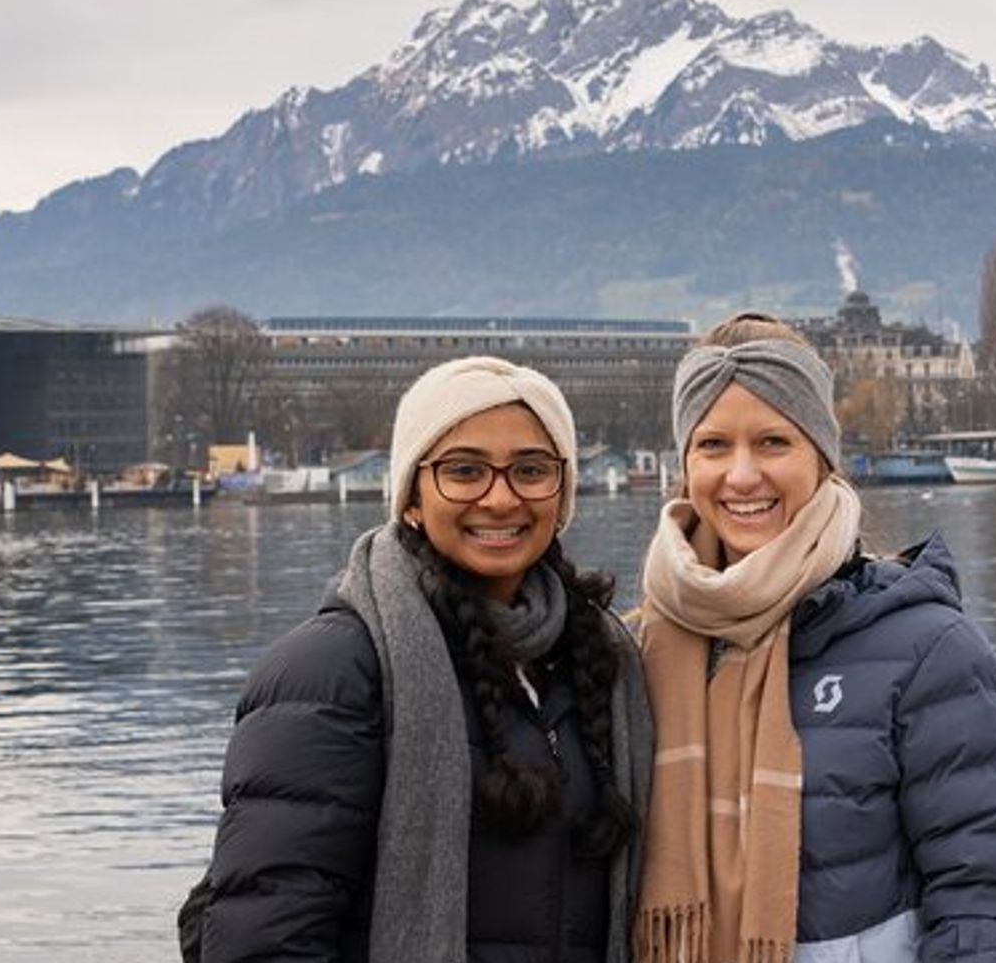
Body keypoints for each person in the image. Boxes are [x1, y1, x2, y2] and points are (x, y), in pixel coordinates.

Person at [192, 356, 652, 963]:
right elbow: (263, 933)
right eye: (464, 471)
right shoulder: (333, 670)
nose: (500, 497)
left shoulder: (597, 658)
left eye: (531, 470)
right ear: (411, 494)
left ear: (561, 492)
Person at [632, 315, 996, 963]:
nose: (741, 476)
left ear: (822, 457)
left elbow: (985, 900)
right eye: (713, 445)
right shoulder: (638, 649)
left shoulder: (928, 650)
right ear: (685, 463)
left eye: (773, 442)